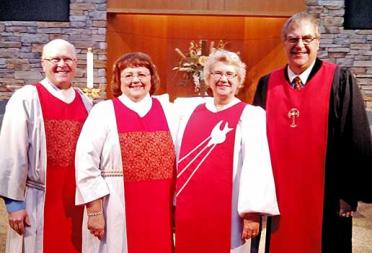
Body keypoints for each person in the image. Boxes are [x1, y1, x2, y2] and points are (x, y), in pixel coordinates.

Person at [253, 12, 372, 253]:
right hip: (279, 198)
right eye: (293, 39)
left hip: (328, 196)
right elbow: (255, 143)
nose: (300, 45)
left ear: (318, 41)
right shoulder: (268, 84)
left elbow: (356, 137)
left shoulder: (339, 80)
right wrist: (255, 195)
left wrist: (348, 193)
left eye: (307, 39)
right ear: (284, 42)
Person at [174, 49, 279, 253]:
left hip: (230, 211)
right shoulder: (188, 112)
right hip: (192, 208)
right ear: (208, 78)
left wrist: (251, 213)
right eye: (217, 73)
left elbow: (257, 166)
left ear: (239, 80)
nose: (224, 79)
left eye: (230, 74)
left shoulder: (251, 116)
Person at [75, 52, 177, 253]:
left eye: (142, 74)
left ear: (152, 78)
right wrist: (95, 211)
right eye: (128, 75)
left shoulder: (170, 111)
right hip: (115, 204)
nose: (136, 80)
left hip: (159, 207)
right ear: (118, 80)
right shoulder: (103, 111)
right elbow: (86, 161)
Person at [0, 39, 92, 252]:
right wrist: (14, 205)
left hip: (77, 200)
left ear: (76, 63)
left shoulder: (85, 102)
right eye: (55, 59)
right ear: (43, 64)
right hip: (38, 198)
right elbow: (11, 152)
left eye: (67, 59)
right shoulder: (27, 98)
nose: (62, 64)